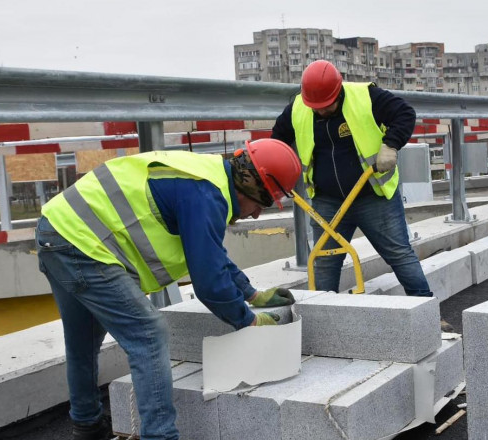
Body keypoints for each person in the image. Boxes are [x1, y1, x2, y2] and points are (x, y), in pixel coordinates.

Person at [36, 139, 301, 440]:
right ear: (249, 184)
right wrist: (249, 320)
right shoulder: (206, 194)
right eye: (262, 204)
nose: (256, 215)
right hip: (81, 245)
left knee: (83, 342)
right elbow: (210, 283)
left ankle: (87, 427)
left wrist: (251, 293)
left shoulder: (206, 178)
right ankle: (159, 436)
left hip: (56, 231)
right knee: (148, 333)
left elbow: (210, 256)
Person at [270, 60, 433, 298]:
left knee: (399, 254)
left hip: (372, 196)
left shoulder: (366, 96)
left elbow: (404, 113)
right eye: (316, 106)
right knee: (325, 263)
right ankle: (323, 319)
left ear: (338, 91)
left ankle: (426, 310)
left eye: (326, 105)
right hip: (328, 202)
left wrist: (391, 144)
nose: (321, 111)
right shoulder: (298, 108)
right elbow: (278, 141)